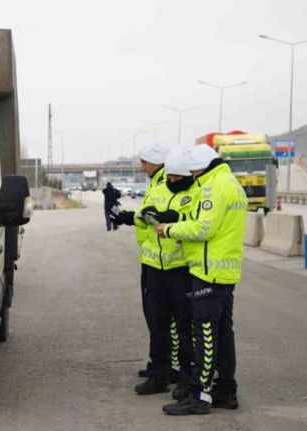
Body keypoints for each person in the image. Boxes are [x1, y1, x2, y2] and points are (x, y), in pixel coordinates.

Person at [156, 144, 247, 415]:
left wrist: (169, 229)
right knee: (223, 332)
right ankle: (225, 389)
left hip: (208, 270)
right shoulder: (231, 182)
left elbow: (204, 227)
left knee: (205, 333)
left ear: (203, 167)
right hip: (224, 269)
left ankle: (200, 395)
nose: (192, 176)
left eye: (194, 170)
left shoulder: (214, 186)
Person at [133, 147, 196, 400]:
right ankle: (158, 374)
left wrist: (173, 219)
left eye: (176, 178)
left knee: (184, 327)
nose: (171, 182)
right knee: (157, 325)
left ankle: (187, 376)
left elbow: (196, 223)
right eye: (169, 177)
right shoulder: (158, 190)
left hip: (181, 270)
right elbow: (143, 215)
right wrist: (143, 217)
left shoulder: (195, 194)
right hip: (154, 269)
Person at [110, 142, 171, 380]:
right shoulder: (157, 182)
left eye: (145, 162)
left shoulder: (166, 182)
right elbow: (148, 215)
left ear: (157, 162)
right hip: (152, 257)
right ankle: (161, 365)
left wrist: (132, 218)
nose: (142, 166)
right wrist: (128, 217)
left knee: (161, 319)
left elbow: (157, 216)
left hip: (165, 260)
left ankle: (164, 368)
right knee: (155, 317)